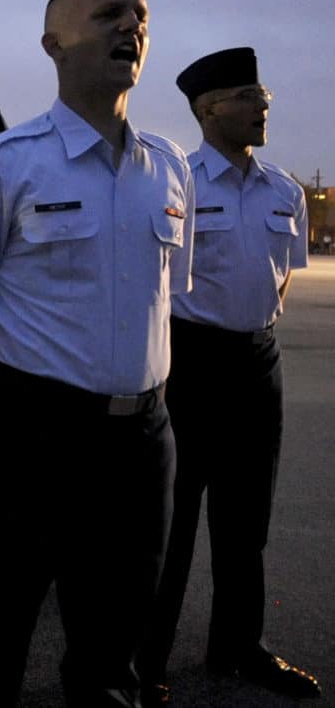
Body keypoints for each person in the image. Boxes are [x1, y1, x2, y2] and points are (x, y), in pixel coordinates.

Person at [0, 0, 193, 706]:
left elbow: (166, 293)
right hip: (35, 434)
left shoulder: (169, 169)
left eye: (140, 17)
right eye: (109, 14)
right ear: (54, 42)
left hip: (143, 444)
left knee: (113, 655)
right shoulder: (3, 166)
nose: (131, 29)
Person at [137, 48, 319, 704]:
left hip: (256, 364)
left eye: (263, 93)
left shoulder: (284, 191)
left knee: (247, 524)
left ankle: (239, 647)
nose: (263, 103)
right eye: (248, 94)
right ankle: (147, 659)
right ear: (209, 109)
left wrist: (252, 331)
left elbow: (282, 276)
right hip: (191, 367)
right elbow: (157, 283)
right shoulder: (177, 182)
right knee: (173, 525)